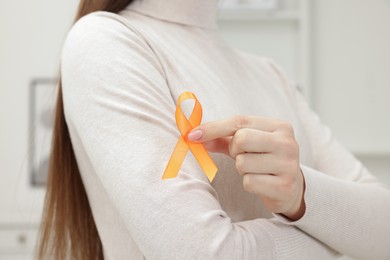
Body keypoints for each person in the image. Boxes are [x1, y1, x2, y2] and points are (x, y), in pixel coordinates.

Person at [37, 0, 390, 259]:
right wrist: (338, 234)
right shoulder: (106, 41)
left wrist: (301, 196)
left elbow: (384, 227)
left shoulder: (270, 74)